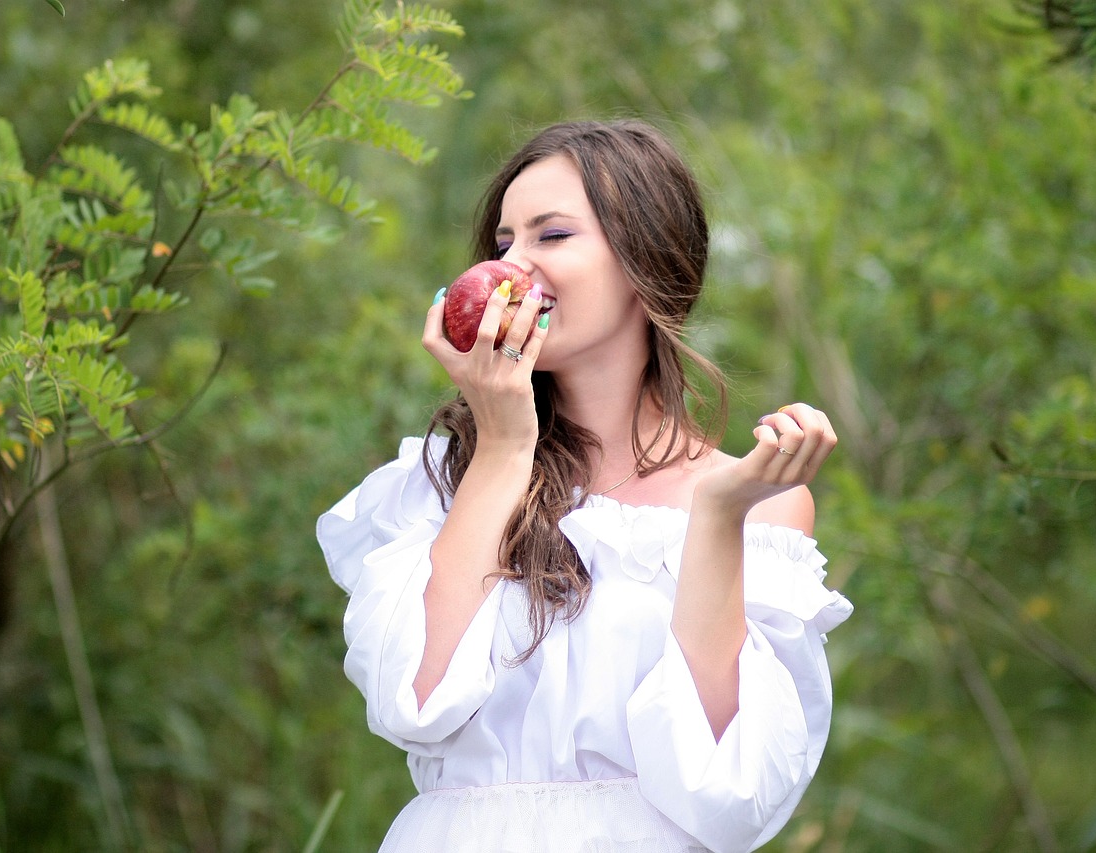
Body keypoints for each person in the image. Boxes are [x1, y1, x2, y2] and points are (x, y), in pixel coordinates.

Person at [316, 119, 852, 853]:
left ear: (644, 258)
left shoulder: (755, 499)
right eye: (503, 243)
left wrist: (719, 516)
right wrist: (504, 443)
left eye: (552, 236)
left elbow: (725, 789)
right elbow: (415, 700)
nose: (515, 268)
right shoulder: (440, 481)